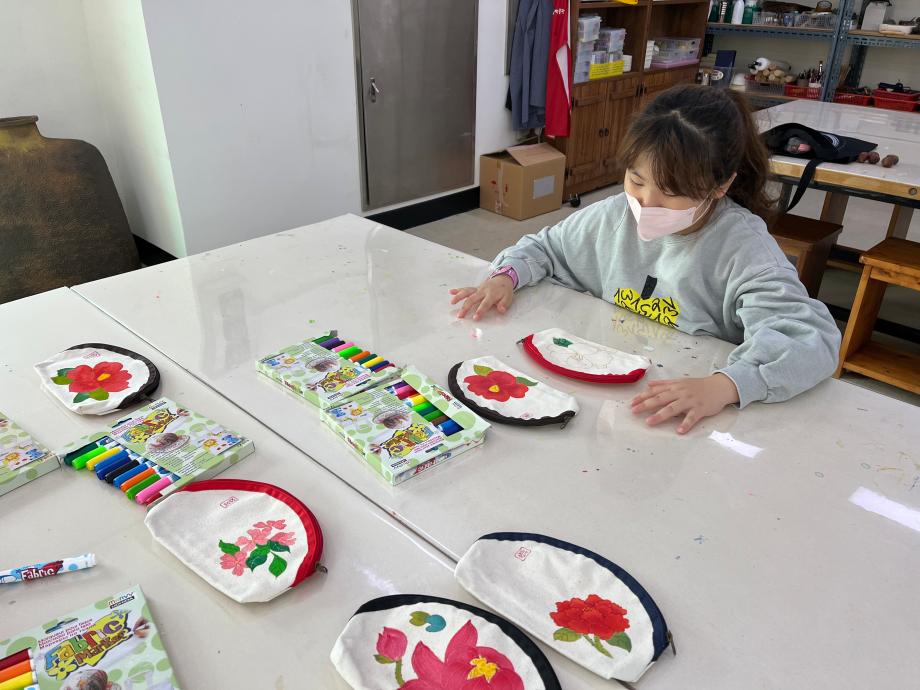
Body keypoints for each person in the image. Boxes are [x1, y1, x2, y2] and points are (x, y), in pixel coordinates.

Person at [449, 85, 840, 434]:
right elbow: (544, 248)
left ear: (721, 184)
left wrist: (727, 385)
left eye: (672, 191)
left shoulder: (743, 248)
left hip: (688, 405)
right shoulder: (613, 215)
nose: (646, 203)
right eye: (636, 180)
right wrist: (506, 276)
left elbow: (810, 340)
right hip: (609, 384)